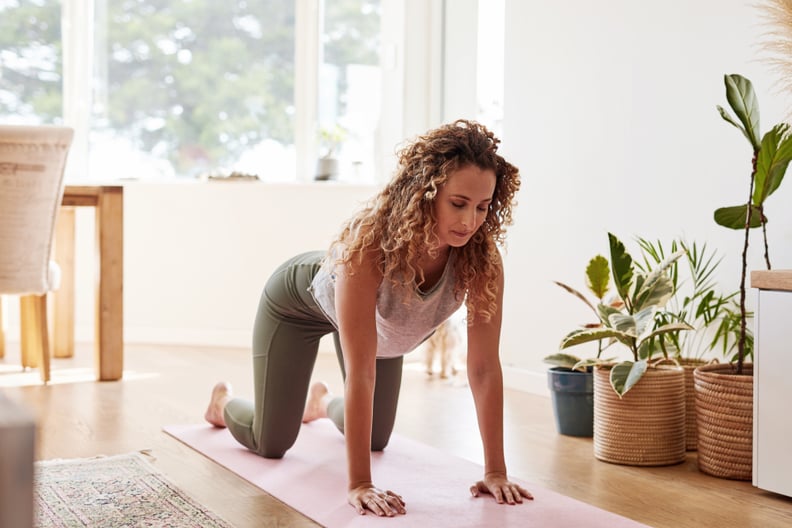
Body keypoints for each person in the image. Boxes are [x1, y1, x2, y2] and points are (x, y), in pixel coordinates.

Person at [204, 119, 532, 517]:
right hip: (297, 305)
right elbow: (361, 373)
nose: (469, 222)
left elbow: (482, 367)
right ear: (426, 192)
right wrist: (360, 483)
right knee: (271, 443)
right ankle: (222, 405)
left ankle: (321, 403)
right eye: (458, 203)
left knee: (376, 438)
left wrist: (495, 471)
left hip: (377, 329)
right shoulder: (370, 244)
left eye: (483, 207)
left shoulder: (481, 259)